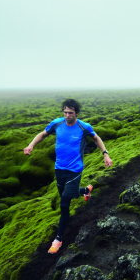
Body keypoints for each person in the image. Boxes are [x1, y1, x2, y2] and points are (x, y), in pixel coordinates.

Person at [23, 98, 112, 254]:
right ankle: (86, 190)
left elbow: (96, 138)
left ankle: (58, 239)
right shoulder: (57, 124)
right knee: (68, 194)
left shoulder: (83, 127)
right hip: (59, 169)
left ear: (76, 113)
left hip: (75, 170)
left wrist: (105, 154)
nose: (67, 115)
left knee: (64, 204)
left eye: (70, 113)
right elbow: (43, 134)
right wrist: (31, 145)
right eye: (65, 112)